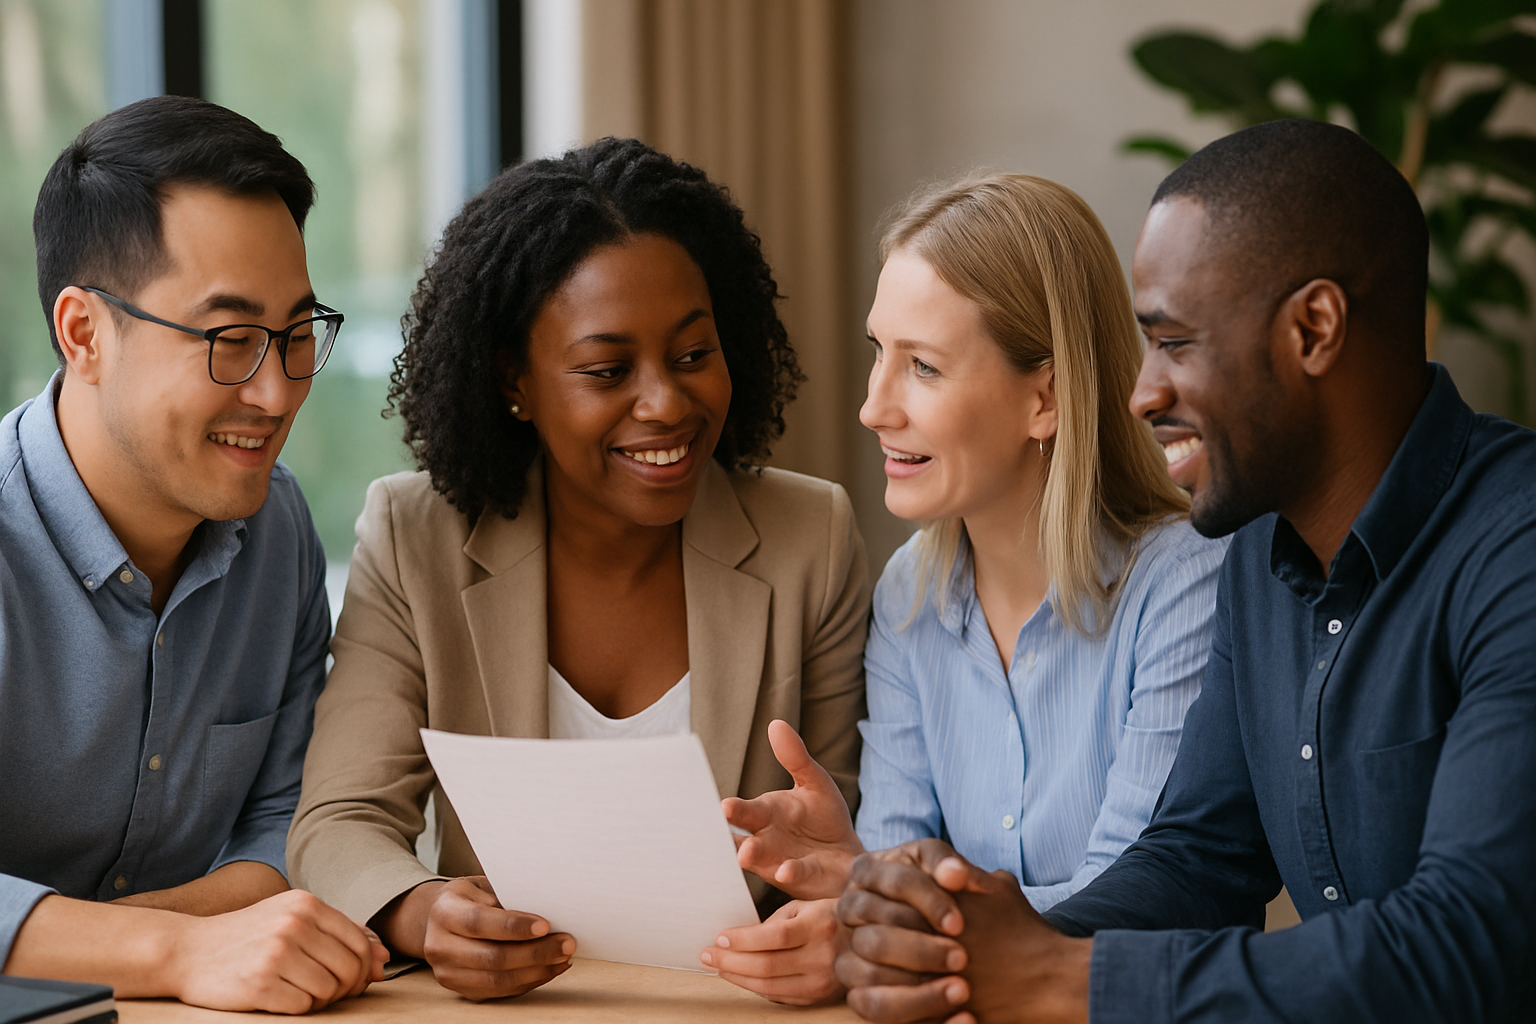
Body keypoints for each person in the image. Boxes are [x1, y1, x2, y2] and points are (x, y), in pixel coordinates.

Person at [832, 119, 1536, 1024]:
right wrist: (968, 948)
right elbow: (1196, 859)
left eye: (1176, 342)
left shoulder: (1514, 549)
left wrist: (1053, 977)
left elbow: (1465, 941)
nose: (1140, 392)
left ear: (1313, 329)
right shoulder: (1257, 559)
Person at [286, 136, 870, 1001]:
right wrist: (423, 911)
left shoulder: (809, 537)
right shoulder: (418, 539)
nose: (666, 402)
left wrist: (828, 918)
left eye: (692, 355)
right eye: (607, 370)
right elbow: (339, 819)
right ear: (514, 381)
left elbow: (841, 833)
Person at [706, 175, 1227, 1005]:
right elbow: (895, 868)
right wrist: (857, 894)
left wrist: (882, 917)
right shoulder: (911, 592)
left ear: (1044, 399)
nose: (874, 406)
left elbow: (1134, 900)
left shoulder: (1186, 584)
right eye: (878, 352)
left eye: (924, 367)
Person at [0, 96, 387, 1010]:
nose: (277, 390)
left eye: (297, 336)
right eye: (231, 339)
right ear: (84, 334)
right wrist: (171, 953)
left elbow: (285, 829)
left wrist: (109, 946)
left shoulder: (277, 530)